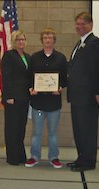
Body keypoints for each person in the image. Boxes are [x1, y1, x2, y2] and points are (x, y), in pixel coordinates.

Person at [67, 12, 99, 171]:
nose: (79, 27)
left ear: (91, 25)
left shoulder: (94, 42)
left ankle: (88, 162)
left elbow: (97, 69)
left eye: (83, 24)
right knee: (79, 129)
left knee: (87, 129)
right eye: (77, 24)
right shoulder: (80, 43)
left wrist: (97, 91)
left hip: (87, 96)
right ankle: (81, 158)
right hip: (77, 96)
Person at [25, 27, 67, 169]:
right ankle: (34, 156)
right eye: (45, 38)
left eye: (50, 38)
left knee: (53, 133)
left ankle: (54, 157)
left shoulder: (61, 58)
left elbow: (65, 78)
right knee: (36, 132)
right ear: (42, 40)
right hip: (38, 102)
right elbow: (30, 76)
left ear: (54, 40)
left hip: (54, 102)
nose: (47, 40)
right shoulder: (34, 57)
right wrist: (31, 88)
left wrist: (60, 87)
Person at [1, 30, 31, 165]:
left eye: (23, 39)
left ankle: (20, 155)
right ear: (14, 41)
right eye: (18, 39)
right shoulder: (8, 56)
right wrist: (8, 96)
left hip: (24, 98)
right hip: (12, 98)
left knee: (21, 127)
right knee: (12, 127)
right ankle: (12, 157)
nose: (21, 42)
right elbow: (6, 78)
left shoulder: (28, 56)